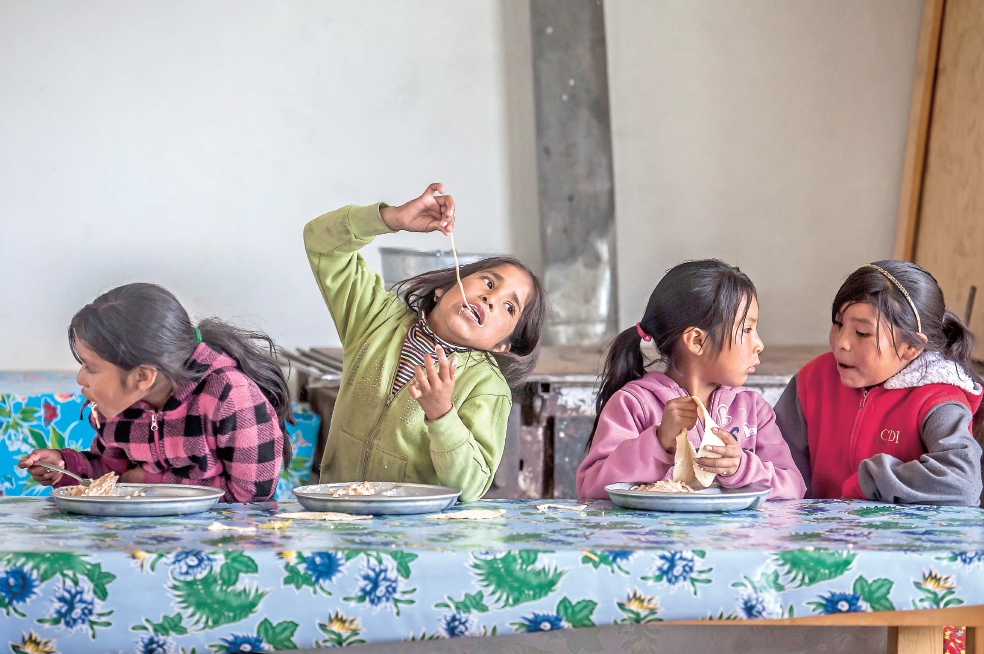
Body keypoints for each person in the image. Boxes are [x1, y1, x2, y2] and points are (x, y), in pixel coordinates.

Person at [304, 183, 545, 502]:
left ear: (503, 345)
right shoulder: (375, 319)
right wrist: (391, 219)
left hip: (418, 538)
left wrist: (442, 414)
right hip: (339, 518)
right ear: (443, 289)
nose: (490, 299)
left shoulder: (486, 386)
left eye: (509, 307)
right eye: (488, 282)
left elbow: (471, 486)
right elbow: (320, 242)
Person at [18, 283, 292, 503]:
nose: (80, 379)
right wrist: (65, 466)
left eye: (90, 368)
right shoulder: (122, 405)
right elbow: (114, 474)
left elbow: (252, 496)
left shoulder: (230, 396)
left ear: (142, 377)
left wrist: (152, 483)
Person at [577, 260, 806, 500]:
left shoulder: (753, 410)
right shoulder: (634, 405)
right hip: (656, 537)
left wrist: (742, 468)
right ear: (696, 340)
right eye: (746, 330)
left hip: (733, 538)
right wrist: (659, 441)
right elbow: (591, 488)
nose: (759, 344)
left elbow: (794, 487)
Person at [775, 261, 983, 505]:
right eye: (838, 324)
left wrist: (870, 482)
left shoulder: (938, 399)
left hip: (902, 541)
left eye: (862, 333)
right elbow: (778, 466)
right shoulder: (812, 380)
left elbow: (962, 483)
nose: (842, 342)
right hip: (817, 538)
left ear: (912, 347)